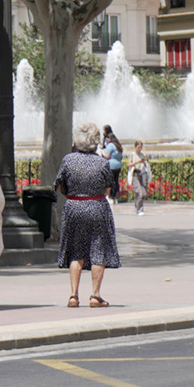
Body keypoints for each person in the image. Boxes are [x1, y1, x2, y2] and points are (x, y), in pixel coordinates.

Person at [55, 123, 121, 307]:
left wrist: (73, 196)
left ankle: (73, 296)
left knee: (77, 251)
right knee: (98, 250)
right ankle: (95, 296)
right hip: (97, 207)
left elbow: (60, 186)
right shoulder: (102, 162)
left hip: (74, 207)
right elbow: (109, 188)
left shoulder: (68, 160)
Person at [99, 125, 123, 209]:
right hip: (118, 166)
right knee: (116, 181)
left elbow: (107, 155)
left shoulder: (110, 145)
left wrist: (102, 151)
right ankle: (116, 197)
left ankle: (110, 197)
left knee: (109, 182)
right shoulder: (118, 145)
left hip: (111, 166)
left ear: (109, 138)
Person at [128, 140, 152, 216]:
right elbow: (129, 164)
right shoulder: (132, 154)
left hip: (142, 174)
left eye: (141, 147)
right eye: (138, 147)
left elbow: (146, 165)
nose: (140, 149)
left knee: (144, 193)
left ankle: (137, 203)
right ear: (135, 147)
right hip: (135, 173)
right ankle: (139, 209)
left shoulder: (143, 155)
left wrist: (144, 162)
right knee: (139, 192)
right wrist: (137, 162)